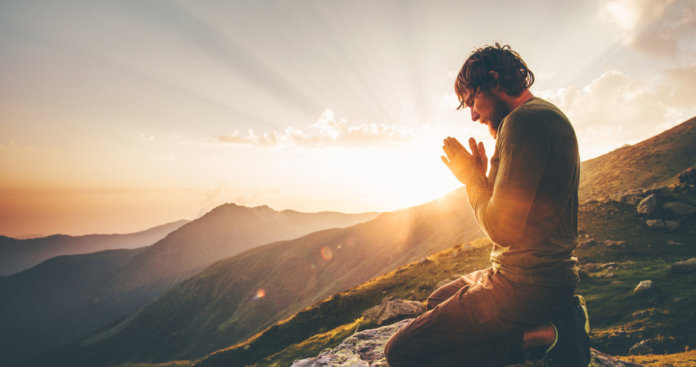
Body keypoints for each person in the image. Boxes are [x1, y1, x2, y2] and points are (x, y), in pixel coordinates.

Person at [384, 43, 591, 367]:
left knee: (400, 352)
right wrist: (483, 175)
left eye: (472, 101)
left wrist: (472, 181)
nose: (473, 114)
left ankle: (549, 336)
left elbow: (502, 229)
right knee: (437, 299)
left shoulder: (522, 124)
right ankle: (557, 316)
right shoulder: (545, 116)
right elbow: (521, 205)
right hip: (546, 279)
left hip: (524, 285)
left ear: (494, 81)